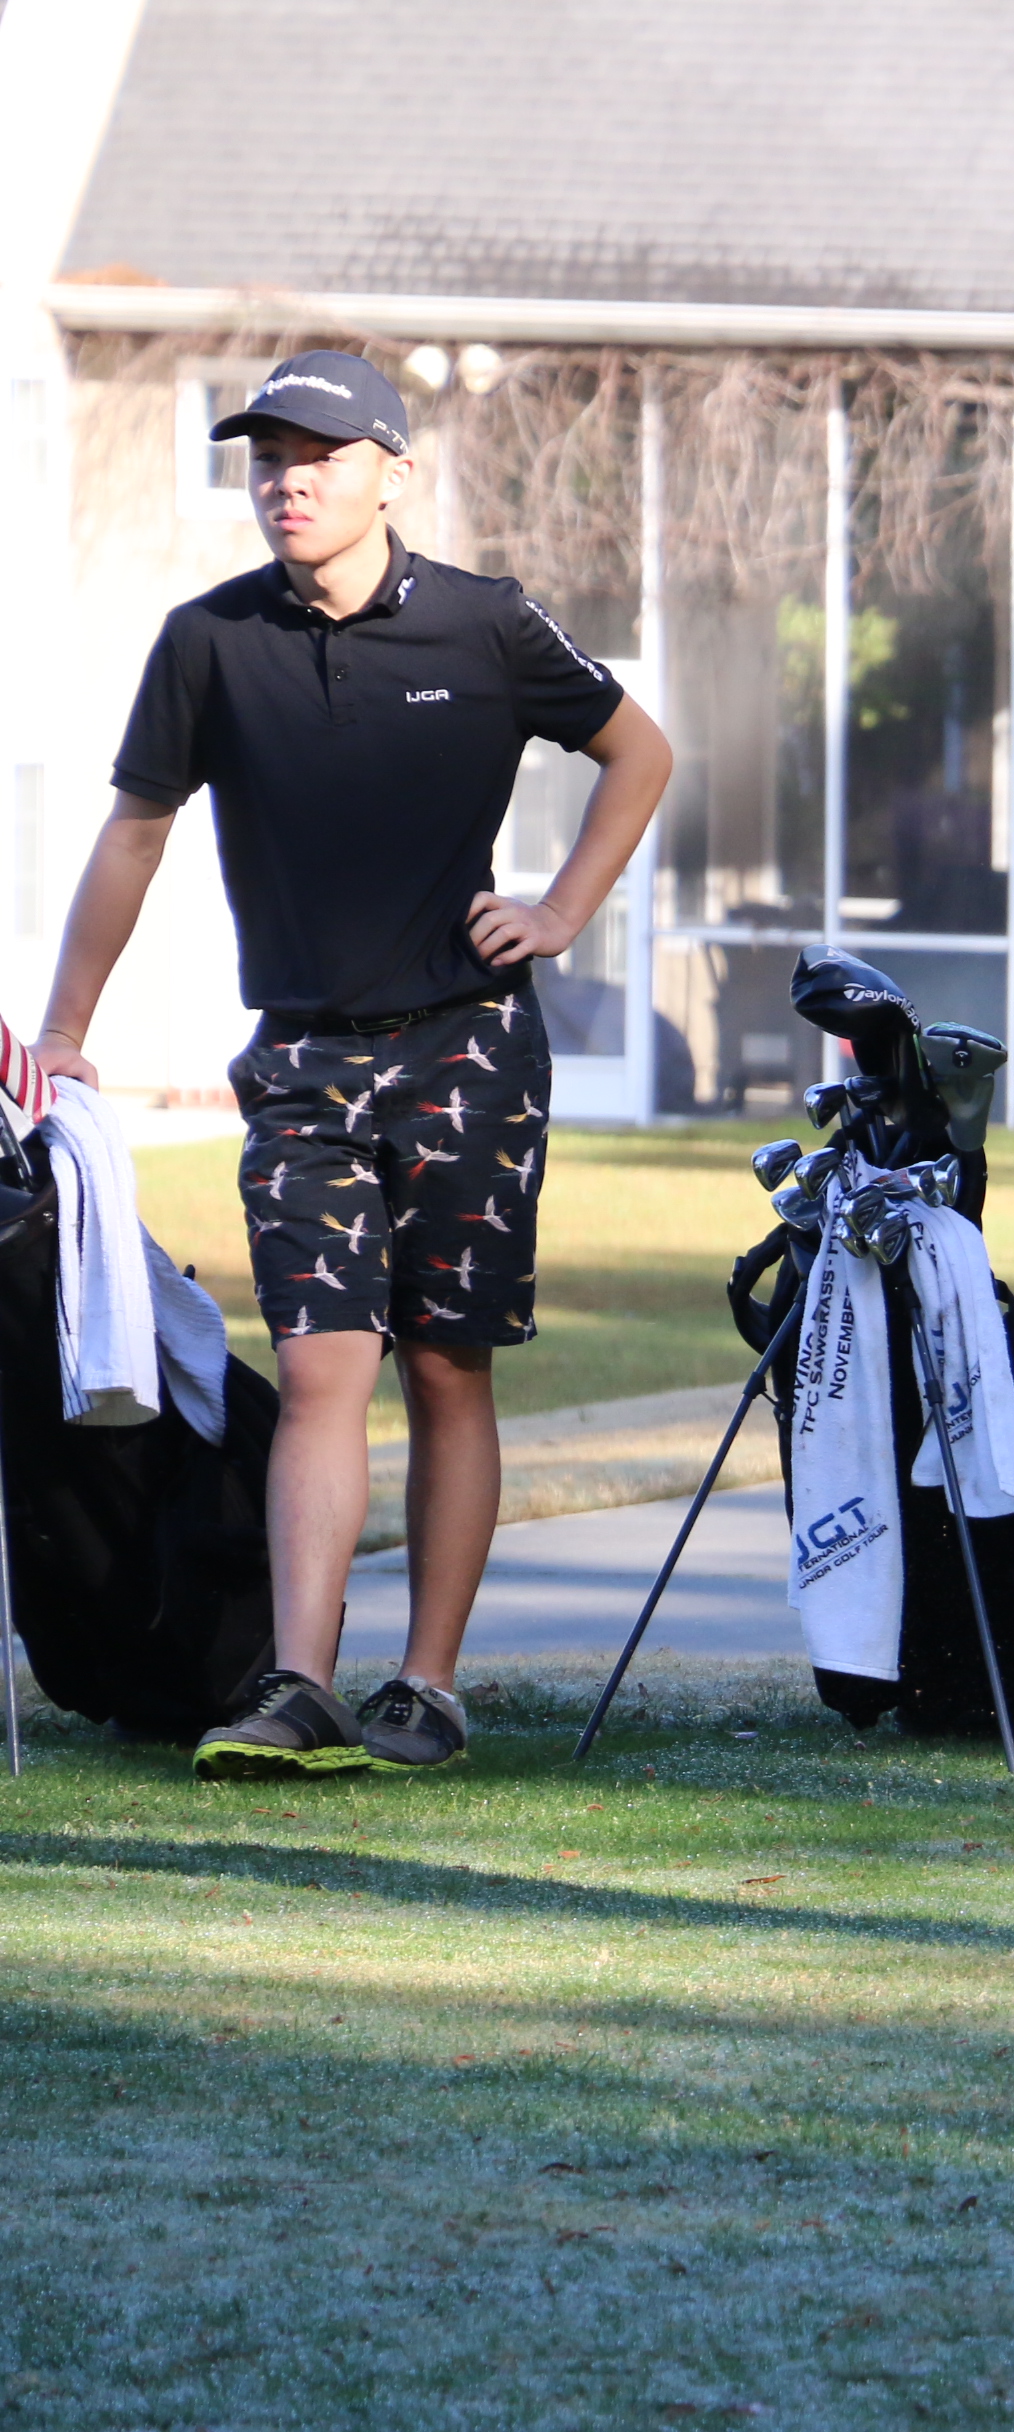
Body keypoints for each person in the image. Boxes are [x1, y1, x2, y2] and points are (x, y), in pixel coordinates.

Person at [41, 349, 674, 1777]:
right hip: (302, 1062)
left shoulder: (487, 623)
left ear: (393, 471)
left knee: (446, 1368)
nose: (288, 481)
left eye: (318, 455)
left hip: (470, 1052)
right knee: (322, 1364)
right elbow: (134, 835)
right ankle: (302, 1684)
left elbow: (640, 753)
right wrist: (67, 1028)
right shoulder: (207, 642)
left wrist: (562, 912)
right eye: (267, 459)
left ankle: (427, 1687)